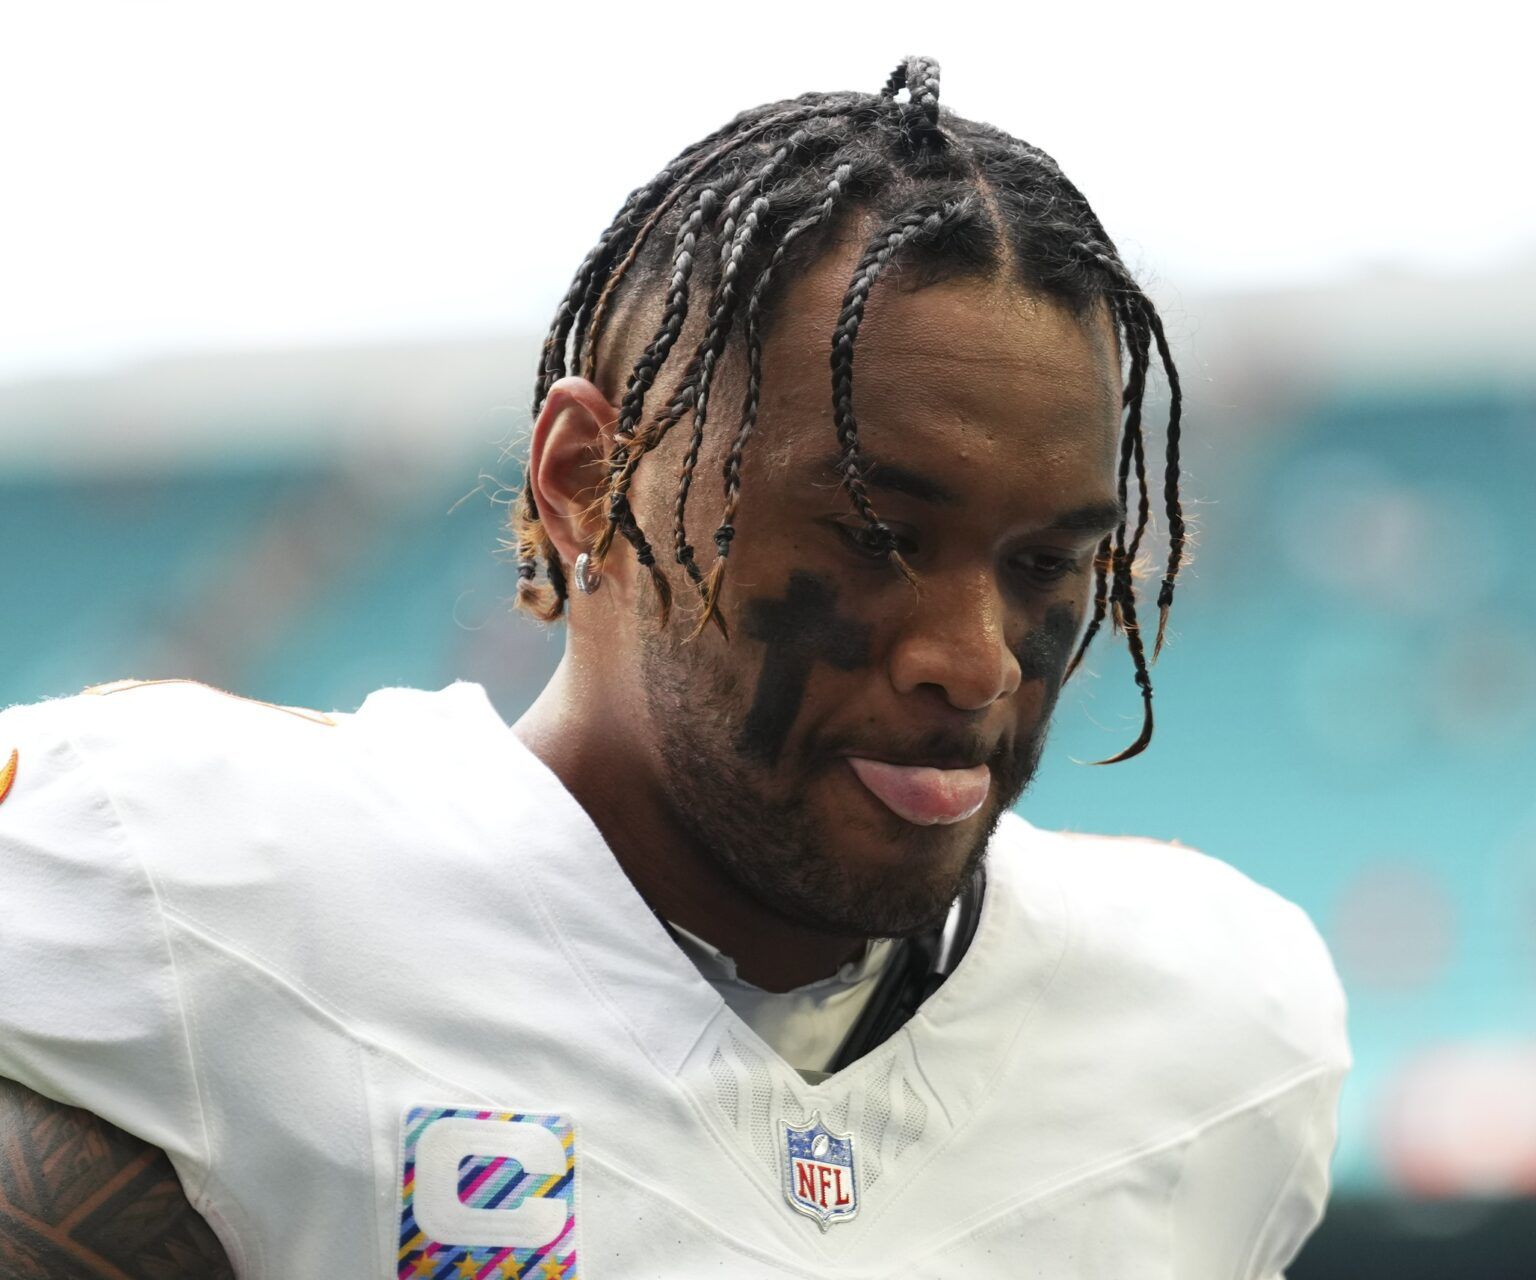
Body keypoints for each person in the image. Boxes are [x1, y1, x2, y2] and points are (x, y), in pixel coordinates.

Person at [0, 57, 1348, 1278]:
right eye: (873, 535)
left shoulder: (1218, 1028)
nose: (974, 660)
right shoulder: (170, 870)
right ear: (589, 480)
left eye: (1046, 565)